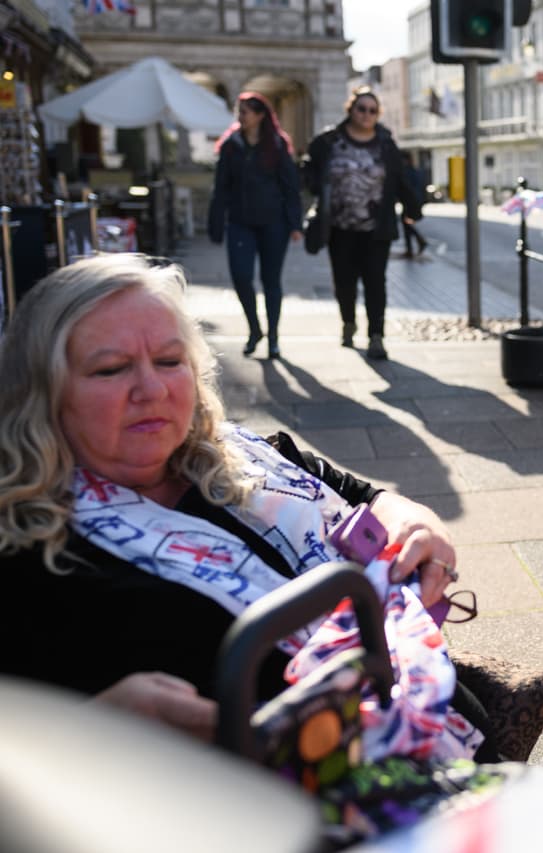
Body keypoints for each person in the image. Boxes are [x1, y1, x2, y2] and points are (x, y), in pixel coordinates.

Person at [0, 254, 491, 762]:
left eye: (169, 361)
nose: (152, 389)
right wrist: (96, 728)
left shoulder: (246, 454)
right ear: (43, 393)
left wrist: (416, 522)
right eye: (111, 369)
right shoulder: (27, 559)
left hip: (445, 738)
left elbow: (369, 499)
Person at [302, 87, 421, 361]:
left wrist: (412, 208)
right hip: (339, 227)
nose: (367, 114)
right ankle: (348, 322)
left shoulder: (386, 144)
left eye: (372, 110)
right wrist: (314, 187)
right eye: (361, 109)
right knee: (344, 281)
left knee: (375, 282)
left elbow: (399, 179)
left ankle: (376, 336)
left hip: (376, 228)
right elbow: (308, 167)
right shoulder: (330, 141)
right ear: (351, 110)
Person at [207, 92, 303, 361]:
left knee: (271, 281)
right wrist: (216, 222)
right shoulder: (231, 145)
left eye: (245, 112)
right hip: (240, 222)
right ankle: (254, 328)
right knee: (241, 277)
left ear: (260, 115)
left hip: (274, 223)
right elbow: (221, 187)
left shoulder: (277, 144)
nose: (241, 116)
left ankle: (273, 338)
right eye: (239, 111)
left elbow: (290, 186)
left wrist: (295, 224)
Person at [400, 153, 428, 259]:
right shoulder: (417, 172)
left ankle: (418, 243)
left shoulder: (406, 172)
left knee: (407, 223)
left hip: (410, 203)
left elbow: (405, 189)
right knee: (407, 224)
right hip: (417, 202)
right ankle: (412, 247)